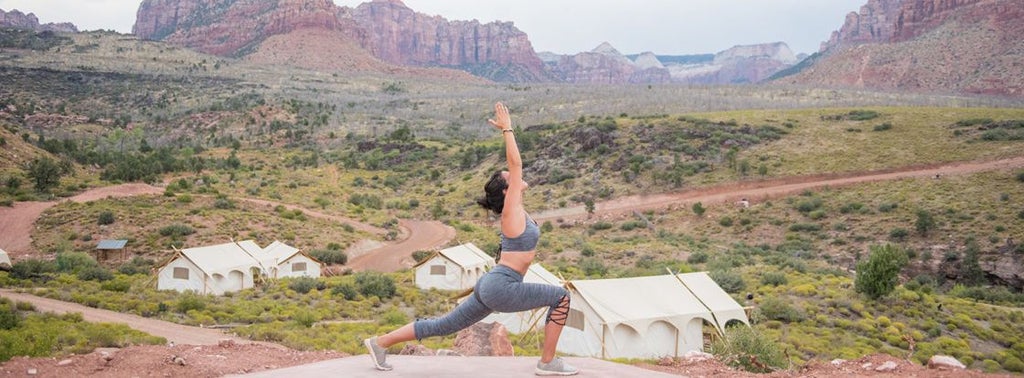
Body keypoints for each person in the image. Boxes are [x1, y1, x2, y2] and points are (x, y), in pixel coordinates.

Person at [363, 102, 579, 376]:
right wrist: (508, 129)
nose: (514, 175)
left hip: (493, 284)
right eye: (509, 177)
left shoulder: (516, 211)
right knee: (561, 298)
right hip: (501, 286)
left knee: (442, 325)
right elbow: (517, 163)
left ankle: (379, 343)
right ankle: (548, 363)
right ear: (506, 191)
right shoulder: (511, 211)